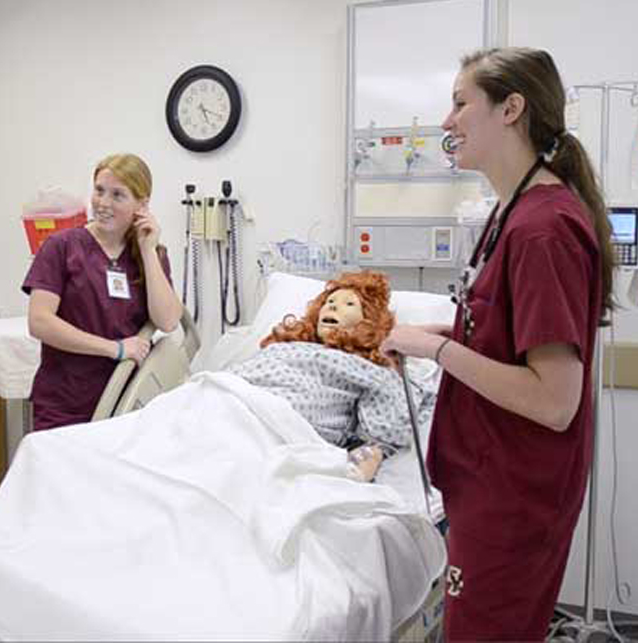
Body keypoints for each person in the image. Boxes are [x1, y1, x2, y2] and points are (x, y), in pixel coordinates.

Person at [381, 47, 614, 640]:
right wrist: (455, 334)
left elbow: (554, 400)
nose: (446, 121)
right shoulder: (513, 212)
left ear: (512, 108)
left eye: (461, 103)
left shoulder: (543, 230)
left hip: (514, 495)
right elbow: (511, 336)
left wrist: (440, 352)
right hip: (489, 480)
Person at [23, 153, 182, 430]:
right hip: (66, 404)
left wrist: (147, 251)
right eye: (99, 191)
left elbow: (168, 321)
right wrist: (115, 349)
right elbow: (39, 322)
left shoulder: (150, 255)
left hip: (129, 405)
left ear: (142, 205)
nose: (103, 203)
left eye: (118, 195)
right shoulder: (61, 247)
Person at [236, 270, 435, 481]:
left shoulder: (364, 366)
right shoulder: (286, 346)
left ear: (367, 322)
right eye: (330, 301)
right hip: (233, 397)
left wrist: (373, 454)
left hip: (277, 422)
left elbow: (389, 427)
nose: (332, 306)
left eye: (349, 304)